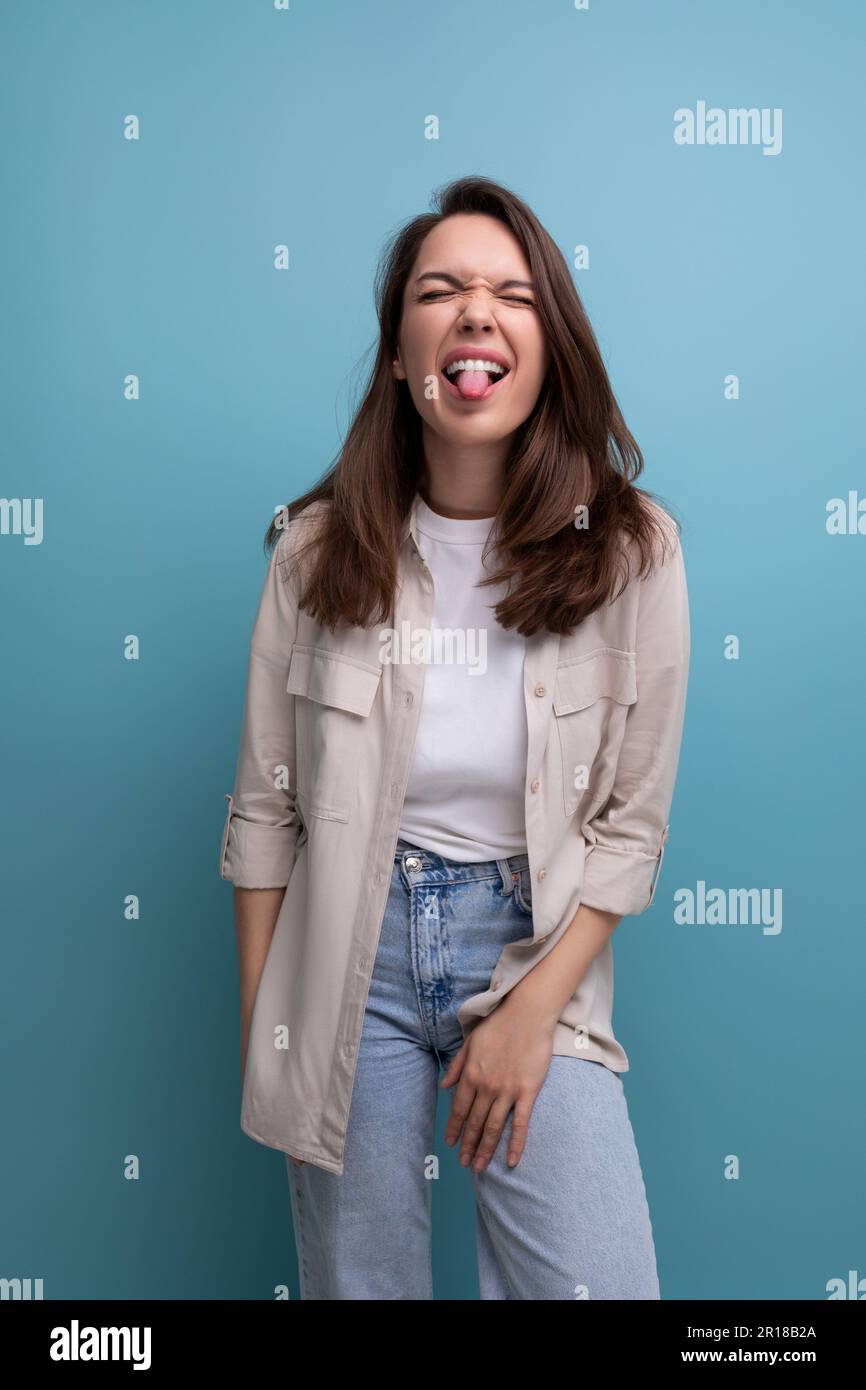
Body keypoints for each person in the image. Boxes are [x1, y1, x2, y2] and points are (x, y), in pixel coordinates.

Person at [219, 175, 690, 1300]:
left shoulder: (631, 552)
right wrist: (268, 1029)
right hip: (348, 953)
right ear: (398, 354)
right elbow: (263, 812)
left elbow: (631, 827)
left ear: (547, 345)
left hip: (534, 944)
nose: (475, 311)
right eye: (440, 290)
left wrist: (531, 1012)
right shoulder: (311, 552)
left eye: (510, 294)